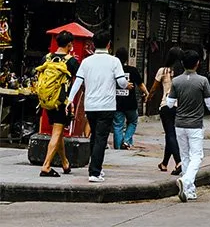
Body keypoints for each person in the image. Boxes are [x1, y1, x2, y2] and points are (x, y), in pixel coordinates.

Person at [67, 30, 127, 182]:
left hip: (90, 106)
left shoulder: (86, 62)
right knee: (101, 138)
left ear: (93, 45)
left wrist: (70, 99)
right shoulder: (114, 62)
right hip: (107, 105)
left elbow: (78, 82)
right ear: (109, 44)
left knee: (95, 135)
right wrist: (126, 84)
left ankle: (94, 167)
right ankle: (94, 172)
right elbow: (121, 83)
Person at [169, 49, 210, 202]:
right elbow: (209, 102)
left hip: (179, 124)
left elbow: (170, 104)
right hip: (195, 125)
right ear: (197, 63)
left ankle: (189, 190)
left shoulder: (176, 81)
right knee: (197, 156)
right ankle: (186, 181)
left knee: (184, 156)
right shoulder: (203, 81)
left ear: (182, 64)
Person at [36, 30, 78, 178]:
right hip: (61, 101)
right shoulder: (71, 61)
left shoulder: (46, 58)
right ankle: (46, 165)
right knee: (57, 132)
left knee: (57, 131)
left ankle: (65, 163)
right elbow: (76, 82)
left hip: (47, 100)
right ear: (69, 44)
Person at [147, 46, 184, 175]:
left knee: (170, 134)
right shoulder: (183, 73)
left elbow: (154, 88)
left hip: (166, 105)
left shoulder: (163, 71)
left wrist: (148, 97)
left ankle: (179, 162)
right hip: (180, 107)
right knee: (171, 134)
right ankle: (164, 163)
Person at [112, 47, 145, 150]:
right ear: (126, 58)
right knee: (133, 122)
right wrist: (147, 93)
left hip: (117, 103)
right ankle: (126, 141)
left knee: (118, 125)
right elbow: (140, 84)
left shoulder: (113, 71)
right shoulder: (132, 70)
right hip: (130, 103)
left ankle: (118, 147)